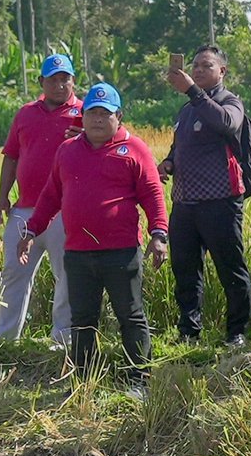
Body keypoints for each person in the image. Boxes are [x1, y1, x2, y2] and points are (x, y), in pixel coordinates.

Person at [20, 83, 167, 383]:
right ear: (82, 116)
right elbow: (51, 196)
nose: (98, 119)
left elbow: (153, 194)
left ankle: (137, 379)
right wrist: (32, 229)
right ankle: (84, 380)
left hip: (121, 251)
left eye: (105, 113)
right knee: (83, 320)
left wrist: (159, 234)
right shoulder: (68, 150)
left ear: (119, 116)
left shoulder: (134, 149)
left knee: (130, 315)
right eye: (92, 113)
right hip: (78, 253)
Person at [159, 44, 251, 348]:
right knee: (185, 271)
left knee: (230, 269)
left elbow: (226, 123)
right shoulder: (187, 110)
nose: (197, 70)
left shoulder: (230, 101)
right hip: (185, 203)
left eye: (206, 66)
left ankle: (236, 332)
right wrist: (168, 162)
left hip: (220, 202)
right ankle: (189, 330)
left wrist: (192, 91)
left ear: (222, 71)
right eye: (195, 65)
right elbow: (180, 147)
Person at [0, 53, 84, 343]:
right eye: (53, 80)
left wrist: (84, 137)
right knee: (14, 275)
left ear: (73, 81)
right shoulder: (25, 113)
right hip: (25, 210)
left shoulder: (86, 114)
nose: (60, 85)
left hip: (64, 212)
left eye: (65, 79)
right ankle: (6, 341)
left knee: (66, 278)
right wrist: (2, 197)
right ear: (41, 82)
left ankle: (63, 341)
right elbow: (11, 157)